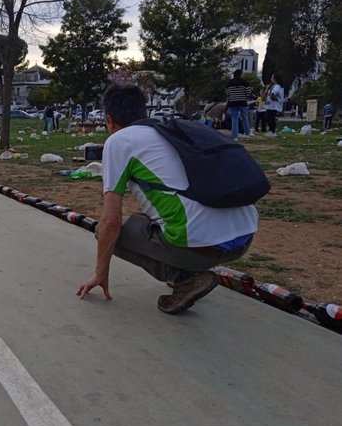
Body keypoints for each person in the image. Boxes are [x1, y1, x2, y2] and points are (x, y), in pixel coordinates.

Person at [77, 84, 258, 314]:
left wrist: (100, 273)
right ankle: (187, 272)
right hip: (244, 238)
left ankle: (184, 280)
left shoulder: (120, 140)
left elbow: (110, 222)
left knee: (104, 231)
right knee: (148, 220)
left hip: (200, 248)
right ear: (144, 112)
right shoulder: (174, 131)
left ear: (109, 120)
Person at [226, 69, 252, 141]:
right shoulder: (244, 82)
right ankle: (247, 133)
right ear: (240, 74)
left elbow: (227, 94)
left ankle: (235, 136)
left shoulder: (229, 82)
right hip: (242, 102)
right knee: (245, 118)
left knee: (234, 119)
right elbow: (248, 92)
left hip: (233, 103)